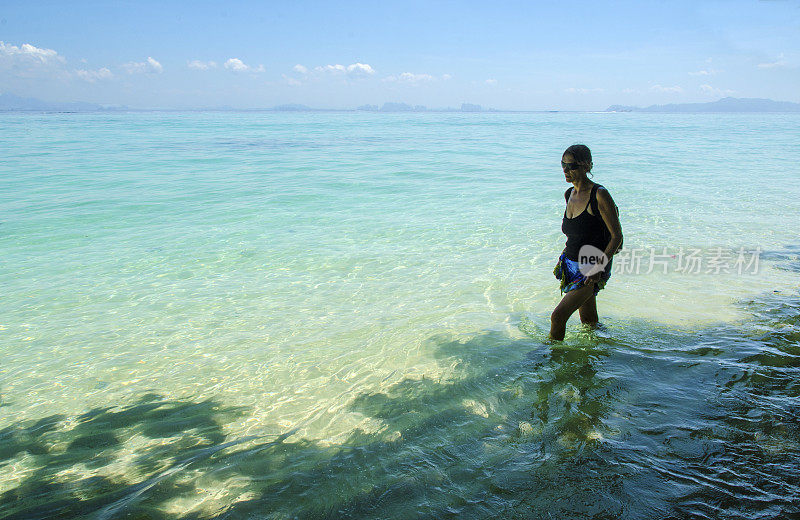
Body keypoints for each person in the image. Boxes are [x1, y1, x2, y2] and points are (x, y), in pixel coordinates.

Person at [550, 144, 623, 341]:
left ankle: (550, 361)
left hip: (591, 267)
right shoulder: (569, 194)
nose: (565, 170)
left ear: (586, 165)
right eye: (563, 165)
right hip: (571, 264)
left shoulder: (599, 194)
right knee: (589, 323)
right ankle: (599, 357)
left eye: (571, 166)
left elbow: (617, 236)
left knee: (558, 317)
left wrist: (598, 269)